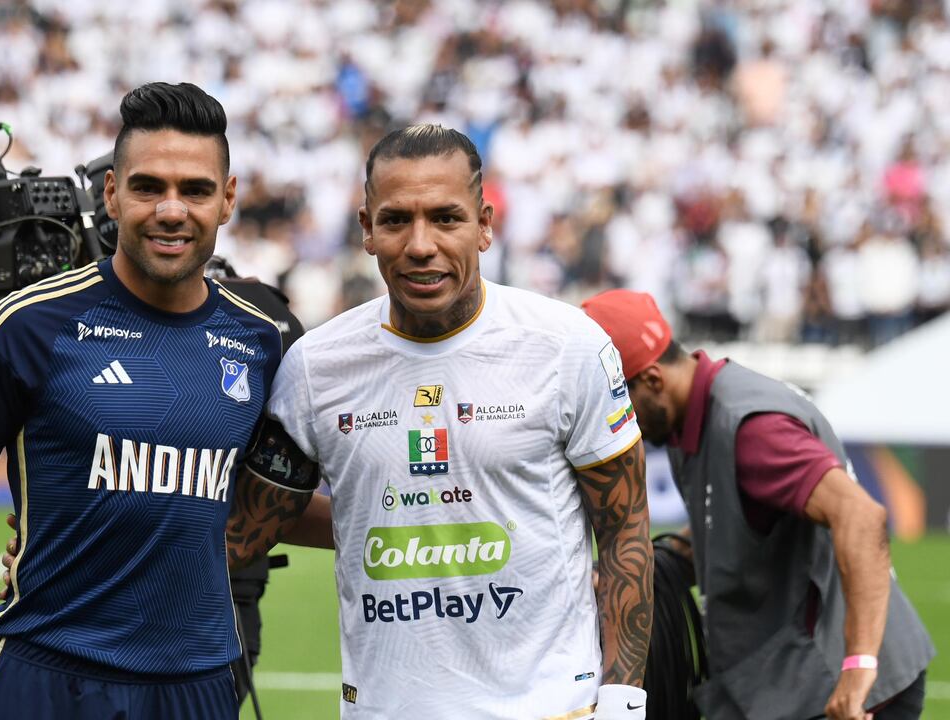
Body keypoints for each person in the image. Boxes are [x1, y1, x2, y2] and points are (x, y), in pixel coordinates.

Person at [0, 82, 287, 720]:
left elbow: (266, 499)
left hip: (198, 684)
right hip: (46, 676)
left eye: (195, 189)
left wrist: (401, 521)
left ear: (227, 199)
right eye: (149, 187)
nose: (173, 210)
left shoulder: (259, 339)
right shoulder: (28, 324)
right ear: (112, 192)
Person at [227, 124, 654, 719]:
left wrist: (624, 703)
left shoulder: (566, 346)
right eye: (397, 220)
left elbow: (624, 526)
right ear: (367, 230)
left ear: (484, 224)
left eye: (446, 218)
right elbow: (243, 533)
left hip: (554, 708)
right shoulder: (315, 369)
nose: (421, 244)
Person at [581, 289, 934, 720]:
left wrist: (859, 667)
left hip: (843, 689)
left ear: (653, 380)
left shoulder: (752, 428)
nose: (610, 419)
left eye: (616, 401)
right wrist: (631, 569)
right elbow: (736, 525)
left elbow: (860, 515)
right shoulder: (684, 414)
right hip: (776, 677)